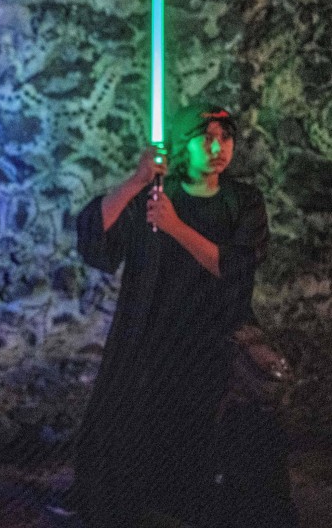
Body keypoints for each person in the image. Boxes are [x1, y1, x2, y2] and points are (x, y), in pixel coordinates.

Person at [64, 103, 294, 527]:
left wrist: (175, 227)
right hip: (152, 339)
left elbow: (234, 265)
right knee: (136, 435)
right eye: (205, 138)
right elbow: (96, 241)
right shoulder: (155, 194)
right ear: (183, 145)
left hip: (214, 340)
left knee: (212, 445)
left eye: (225, 137)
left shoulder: (243, 201)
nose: (218, 148)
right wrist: (136, 180)